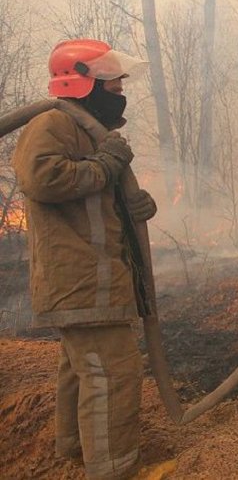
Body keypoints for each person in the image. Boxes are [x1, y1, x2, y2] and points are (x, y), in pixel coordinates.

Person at [12, 39, 156, 480]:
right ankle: (113, 470)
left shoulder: (87, 130)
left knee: (83, 368)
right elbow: (44, 179)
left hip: (93, 278)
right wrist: (107, 166)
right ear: (82, 82)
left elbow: (92, 205)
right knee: (112, 372)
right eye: (113, 85)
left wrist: (132, 205)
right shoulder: (53, 124)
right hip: (80, 279)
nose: (120, 92)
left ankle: (76, 449)